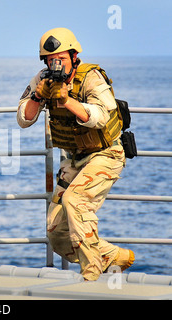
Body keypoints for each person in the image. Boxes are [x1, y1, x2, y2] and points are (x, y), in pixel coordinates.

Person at [17, 27, 134, 281]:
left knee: (75, 201)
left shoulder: (91, 78)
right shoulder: (42, 79)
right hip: (75, 159)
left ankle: (91, 277)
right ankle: (113, 257)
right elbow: (23, 119)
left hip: (106, 154)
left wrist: (67, 100)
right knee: (56, 233)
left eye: (61, 58)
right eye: (50, 60)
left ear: (74, 56)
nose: (55, 63)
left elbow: (102, 117)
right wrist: (38, 95)